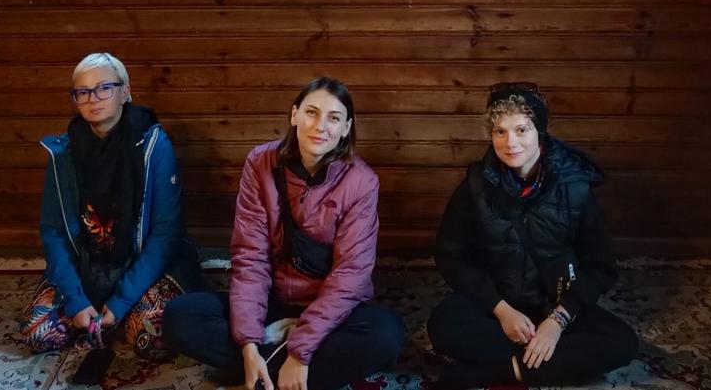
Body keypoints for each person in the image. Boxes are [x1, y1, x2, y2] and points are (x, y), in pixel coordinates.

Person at [164, 77, 406, 390]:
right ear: (294, 115)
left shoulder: (362, 182)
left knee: (386, 334)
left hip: (332, 311)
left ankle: (263, 375)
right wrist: (249, 343)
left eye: (334, 118)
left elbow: (350, 276)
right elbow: (250, 257)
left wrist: (300, 352)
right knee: (180, 316)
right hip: (273, 304)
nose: (320, 126)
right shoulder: (260, 162)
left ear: (346, 128)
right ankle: (274, 370)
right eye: (311, 113)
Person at [427, 82, 638, 387]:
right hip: (499, 304)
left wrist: (558, 321)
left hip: (557, 303)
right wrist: (502, 311)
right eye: (500, 131)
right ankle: (547, 361)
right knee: (443, 325)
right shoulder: (475, 186)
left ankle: (498, 371)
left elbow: (600, 267)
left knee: (621, 342)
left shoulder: (575, 186)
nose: (510, 142)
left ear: (539, 131)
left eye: (521, 130)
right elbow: (452, 257)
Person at [18, 52, 204, 360]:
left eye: (104, 88)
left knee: (152, 339)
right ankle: (97, 315)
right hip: (88, 265)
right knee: (37, 333)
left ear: (125, 91)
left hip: (140, 265)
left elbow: (164, 233)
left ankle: (117, 315)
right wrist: (75, 300)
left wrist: (121, 301)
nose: (93, 98)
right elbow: (53, 230)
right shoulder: (63, 153)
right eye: (83, 92)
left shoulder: (153, 146)